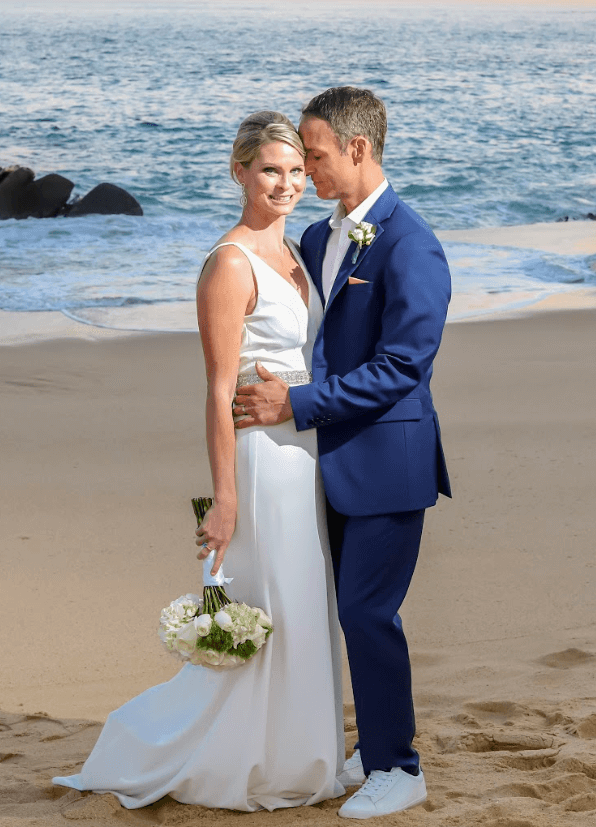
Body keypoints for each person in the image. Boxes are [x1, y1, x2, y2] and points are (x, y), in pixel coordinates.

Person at [50, 111, 345, 811]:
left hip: (307, 453)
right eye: (271, 170)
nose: (287, 184)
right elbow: (217, 390)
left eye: (298, 171)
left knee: (305, 607)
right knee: (265, 607)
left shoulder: (301, 253)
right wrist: (224, 499)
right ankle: (214, 756)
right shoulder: (228, 263)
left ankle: (301, 756)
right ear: (239, 171)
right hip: (259, 462)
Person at [234, 87, 452, 819]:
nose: (305, 169)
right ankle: (372, 744)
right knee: (336, 611)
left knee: (367, 612)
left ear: (357, 150)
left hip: (390, 464)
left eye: (316, 154)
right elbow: (318, 347)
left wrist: (295, 405)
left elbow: (402, 368)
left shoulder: (412, 243)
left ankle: (401, 765)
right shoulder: (324, 240)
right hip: (325, 464)